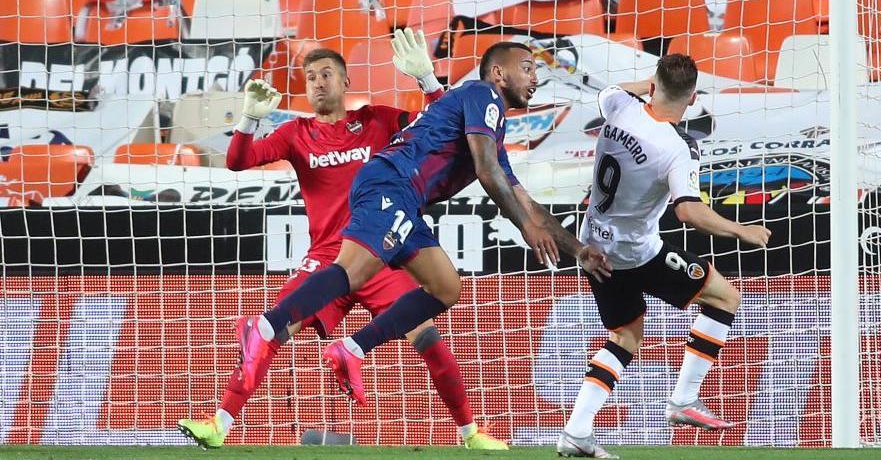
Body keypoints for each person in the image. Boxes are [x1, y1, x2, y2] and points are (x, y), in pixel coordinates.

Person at [234, 40, 612, 411]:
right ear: (499, 73)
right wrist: (525, 227)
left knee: (446, 287)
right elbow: (486, 172)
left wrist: (578, 251)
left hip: (406, 200)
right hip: (391, 183)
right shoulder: (483, 93)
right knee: (351, 272)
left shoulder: (491, 134)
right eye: (527, 68)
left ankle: (352, 348)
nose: (535, 78)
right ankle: (266, 326)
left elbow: (523, 198)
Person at [178, 29, 506, 450]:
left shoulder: (379, 120)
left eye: (326, 73)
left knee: (426, 333)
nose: (317, 82)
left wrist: (427, 79)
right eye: (310, 76)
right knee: (272, 331)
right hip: (329, 260)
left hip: (384, 254)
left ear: (346, 80)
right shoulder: (296, 133)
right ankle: (219, 423)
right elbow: (239, 162)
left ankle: (470, 433)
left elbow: (443, 126)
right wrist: (249, 119)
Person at [556, 54, 772, 459]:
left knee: (625, 337)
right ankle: (684, 400)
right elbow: (688, 211)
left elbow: (616, 90)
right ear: (692, 100)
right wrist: (741, 230)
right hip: (637, 252)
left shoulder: (619, 105)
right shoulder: (678, 148)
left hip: (593, 244)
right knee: (725, 296)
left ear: (652, 86)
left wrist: (654, 84)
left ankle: (576, 432)